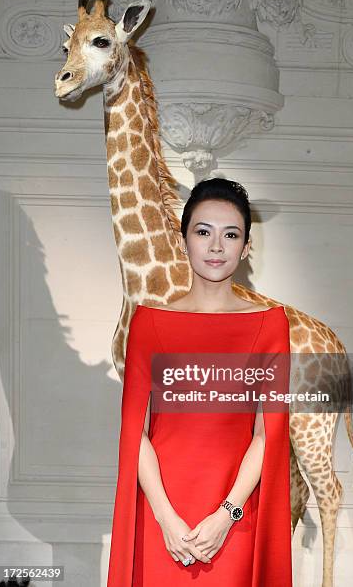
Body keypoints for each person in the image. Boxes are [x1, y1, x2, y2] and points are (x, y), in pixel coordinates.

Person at [107, 178, 292, 586]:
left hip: (234, 520)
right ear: (184, 240)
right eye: (203, 232)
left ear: (245, 248)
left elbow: (267, 434)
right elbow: (133, 431)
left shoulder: (270, 326)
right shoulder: (149, 324)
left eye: (231, 235)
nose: (216, 246)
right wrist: (166, 518)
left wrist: (226, 516)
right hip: (162, 518)